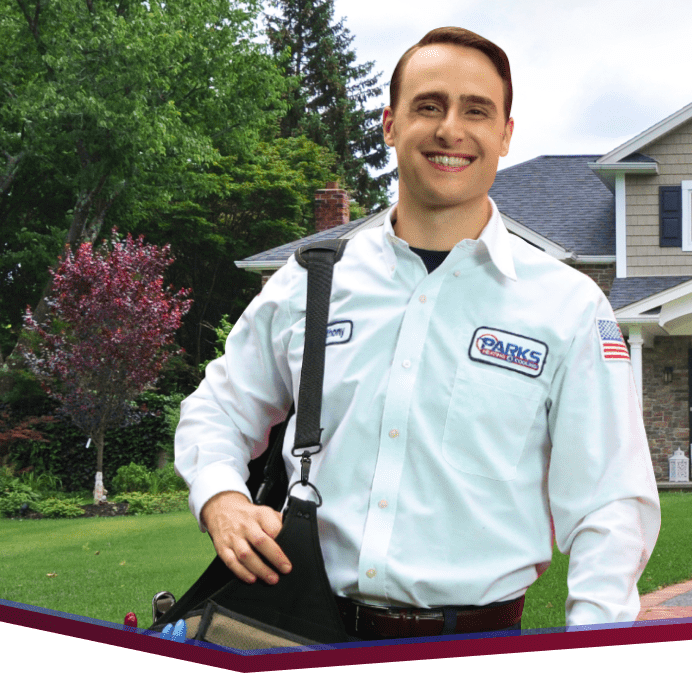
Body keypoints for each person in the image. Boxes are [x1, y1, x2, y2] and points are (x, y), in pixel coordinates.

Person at [173, 26, 659, 639]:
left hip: (470, 641)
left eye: (476, 111)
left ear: (505, 134)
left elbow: (610, 505)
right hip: (296, 630)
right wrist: (221, 498)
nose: (450, 129)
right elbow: (217, 409)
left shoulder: (565, 306)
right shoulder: (313, 282)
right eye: (428, 106)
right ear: (390, 125)